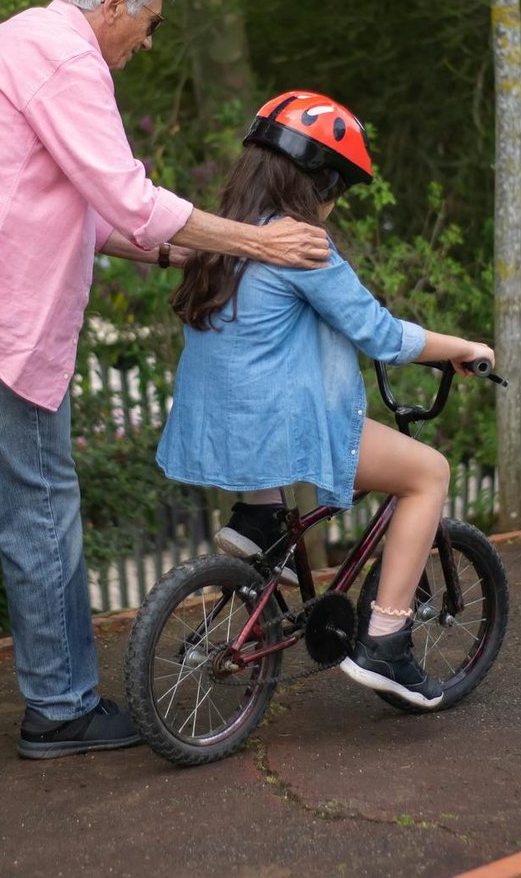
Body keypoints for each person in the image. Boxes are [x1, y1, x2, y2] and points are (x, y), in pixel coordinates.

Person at [0, 0, 334, 788]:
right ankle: (62, 709)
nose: (148, 40)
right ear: (113, 5)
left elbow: (96, 219)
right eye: (150, 22)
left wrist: (196, 256)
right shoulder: (66, 60)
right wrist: (260, 243)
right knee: (38, 514)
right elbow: (130, 195)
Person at [156, 90, 495, 707]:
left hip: (220, 428)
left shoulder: (223, 240)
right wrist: (459, 347)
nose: (335, 205)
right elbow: (382, 335)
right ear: (315, 182)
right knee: (428, 474)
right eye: (336, 188)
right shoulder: (301, 246)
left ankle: (261, 522)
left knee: (268, 398)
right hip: (282, 429)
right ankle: (387, 644)